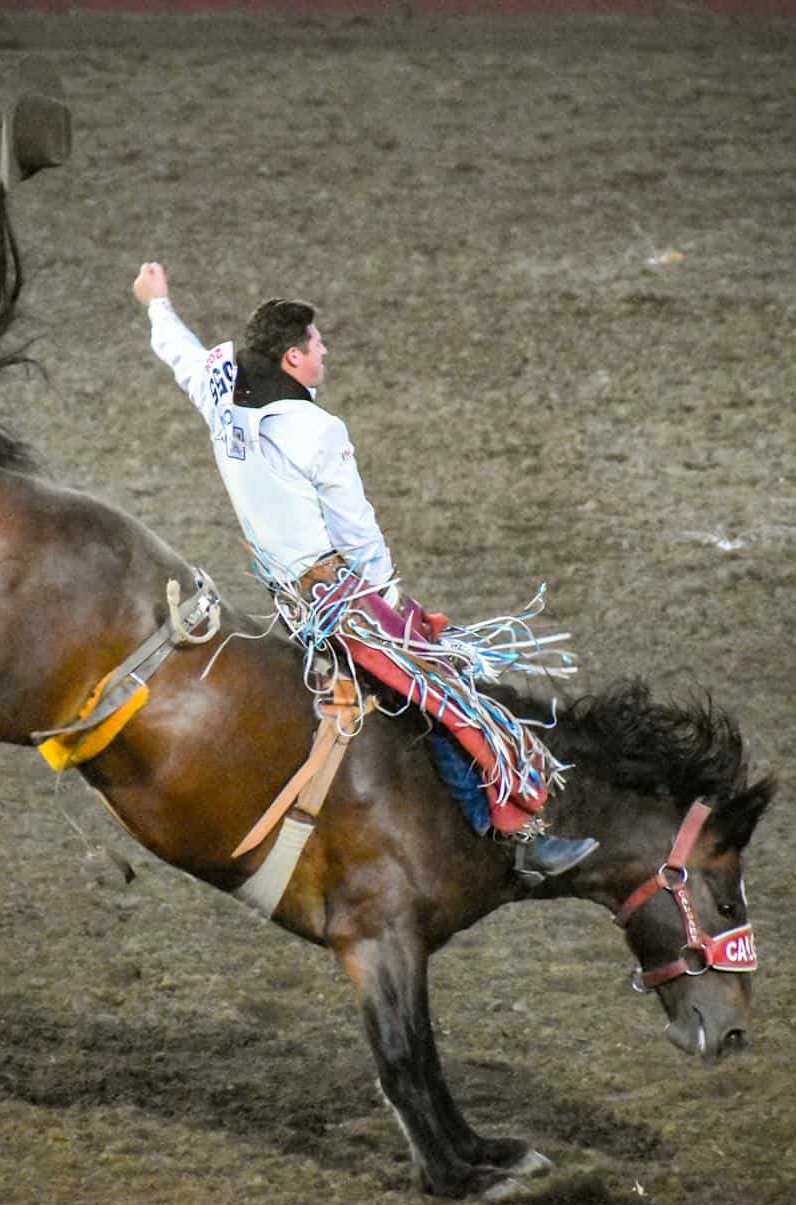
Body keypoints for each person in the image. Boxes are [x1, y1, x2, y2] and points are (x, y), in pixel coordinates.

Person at [133, 263, 597, 880]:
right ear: (295, 359)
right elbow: (358, 530)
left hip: (287, 599)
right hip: (338, 600)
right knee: (444, 693)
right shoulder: (318, 431)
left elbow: (184, 358)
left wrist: (157, 305)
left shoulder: (223, 399)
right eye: (317, 343)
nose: (325, 351)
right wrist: (394, 608)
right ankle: (518, 837)